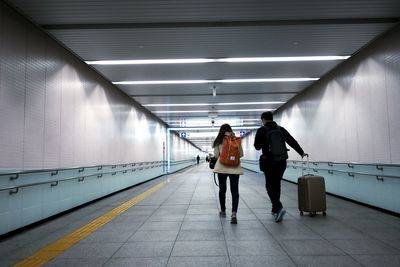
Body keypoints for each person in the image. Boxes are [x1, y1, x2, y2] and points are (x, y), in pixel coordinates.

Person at [254, 111, 307, 223]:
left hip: (268, 162)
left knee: (269, 186)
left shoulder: (262, 130)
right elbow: (292, 141)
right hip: (281, 161)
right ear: (272, 118)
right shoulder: (280, 129)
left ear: (263, 119)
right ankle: (275, 209)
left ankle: (278, 207)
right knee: (277, 184)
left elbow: (257, 147)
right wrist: (301, 152)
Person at [212, 124, 244, 224]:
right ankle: (234, 213)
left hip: (222, 168)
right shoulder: (235, 139)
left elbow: (216, 155)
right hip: (235, 168)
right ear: (230, 130)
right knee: (234, 191)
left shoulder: (218, 140)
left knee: (222, 189)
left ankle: (223, 211)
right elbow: (241, 154)